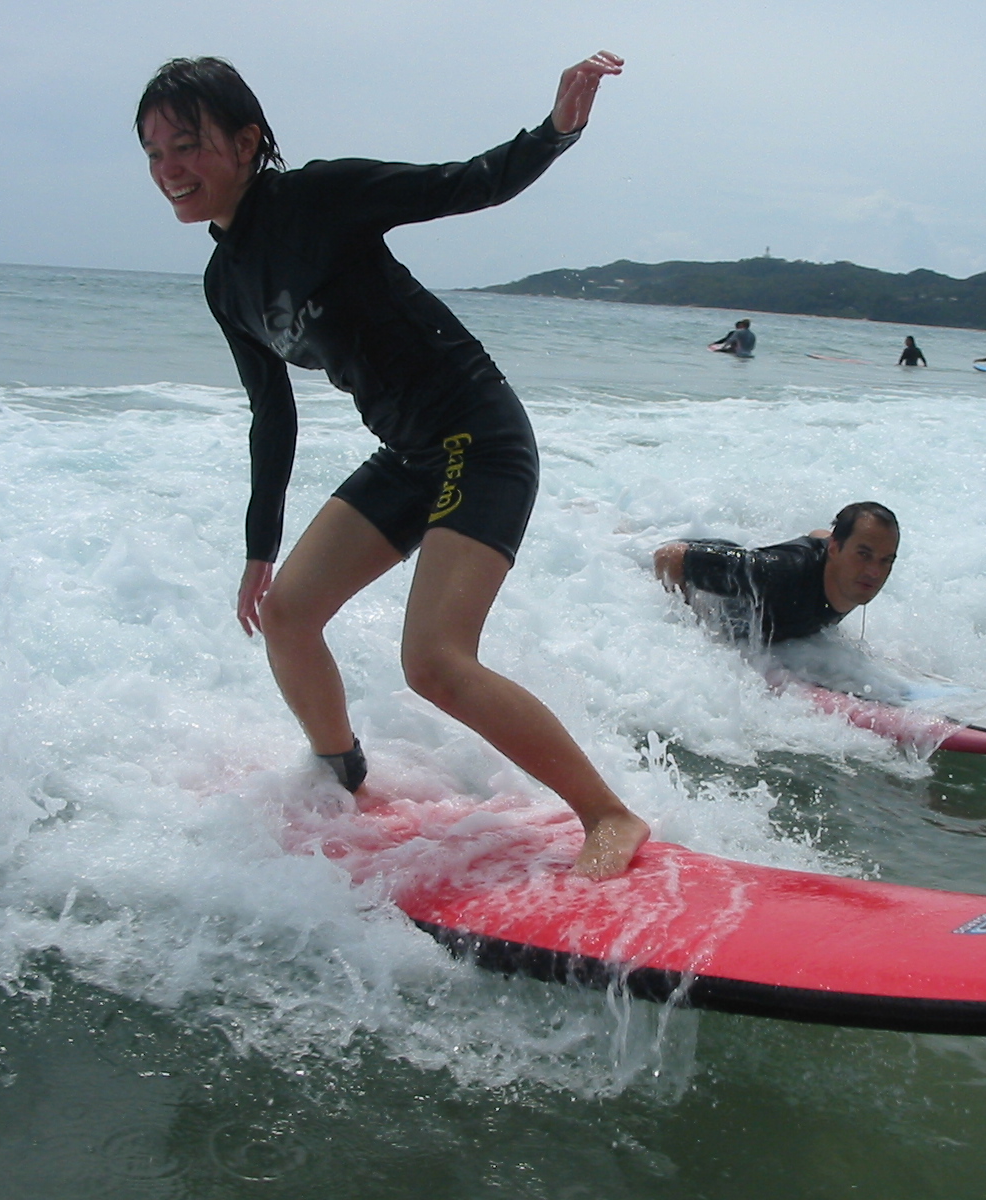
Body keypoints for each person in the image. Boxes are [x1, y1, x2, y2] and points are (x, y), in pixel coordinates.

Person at [136, 52, 649, 879]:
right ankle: (346, 779)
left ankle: (610, 816)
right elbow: (272, 410)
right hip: (412, 453)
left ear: (245, 140)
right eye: (155, 153)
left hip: (478, 437)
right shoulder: (223, 281)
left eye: (186, 145)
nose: (170, 170)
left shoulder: (318, 196)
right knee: (289, 616)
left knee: (435, 663)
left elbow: (466, 183)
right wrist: (257, 547)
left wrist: (557, 130)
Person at [653, 503, 900, 646]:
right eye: (864, 554)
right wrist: (695, 619)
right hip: (699, 558)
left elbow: (820, 534)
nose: (874, 572)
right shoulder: (776, 574)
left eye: (886, 560)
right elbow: (669, 558)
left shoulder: (852, 573)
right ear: (836, 548)